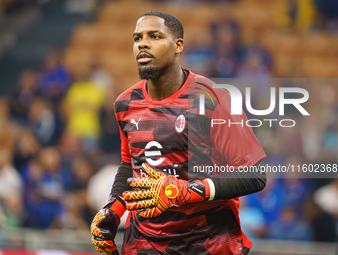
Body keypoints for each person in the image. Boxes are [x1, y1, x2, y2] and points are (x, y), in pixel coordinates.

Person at [91, 11, 266, 255]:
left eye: (155, 36)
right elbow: (130, 164)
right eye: (137, 38)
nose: (142, 43)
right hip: (143, 244)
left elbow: (255, 175)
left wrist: (186, 191)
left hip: (208, 245)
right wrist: (113, 210)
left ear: (178, 46)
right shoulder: (125, 104)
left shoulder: (214, 98)